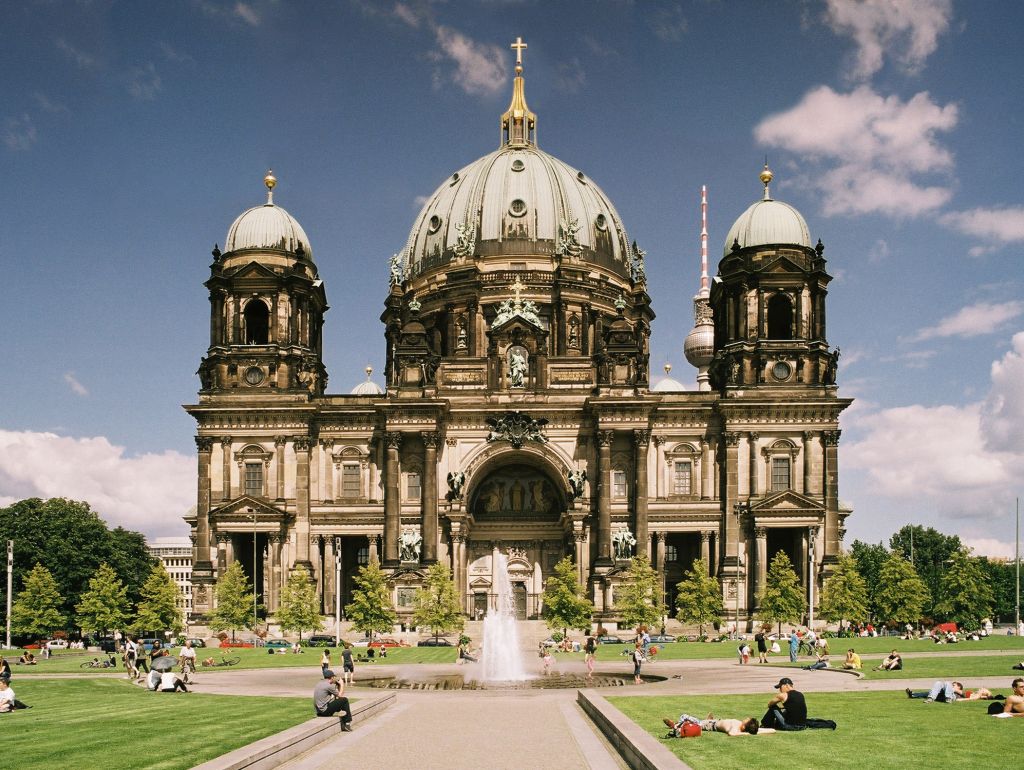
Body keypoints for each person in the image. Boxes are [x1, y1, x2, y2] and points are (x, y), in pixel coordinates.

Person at [663, 713, 766, 737]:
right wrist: (755, 731)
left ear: (745, 726)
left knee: (684, 716)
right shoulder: (740, 726)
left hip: (704, 724)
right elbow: (772, 730)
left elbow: (732, 734)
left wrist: (747, 734)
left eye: (747, 720)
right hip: (712, 722)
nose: (746, 718)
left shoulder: (735, 728)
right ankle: (677, 725)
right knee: (690, 721)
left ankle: (675, 726)